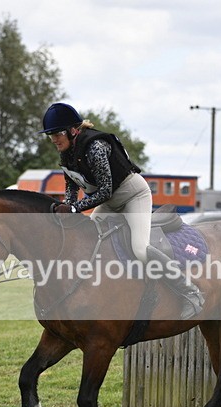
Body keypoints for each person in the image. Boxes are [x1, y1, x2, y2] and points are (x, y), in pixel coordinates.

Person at [39, 102, 203, 319]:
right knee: (88, 240)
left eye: (57, 134)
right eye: (50, 135)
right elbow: (71, 191)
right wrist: (65, 210)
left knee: (140, 249)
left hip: (133, 196)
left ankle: (190, 292)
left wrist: (73, 208)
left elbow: (105, 191)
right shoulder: (66, 154)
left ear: (72, 130)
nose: (54, 140)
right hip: (111, 202)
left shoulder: (95, 148)